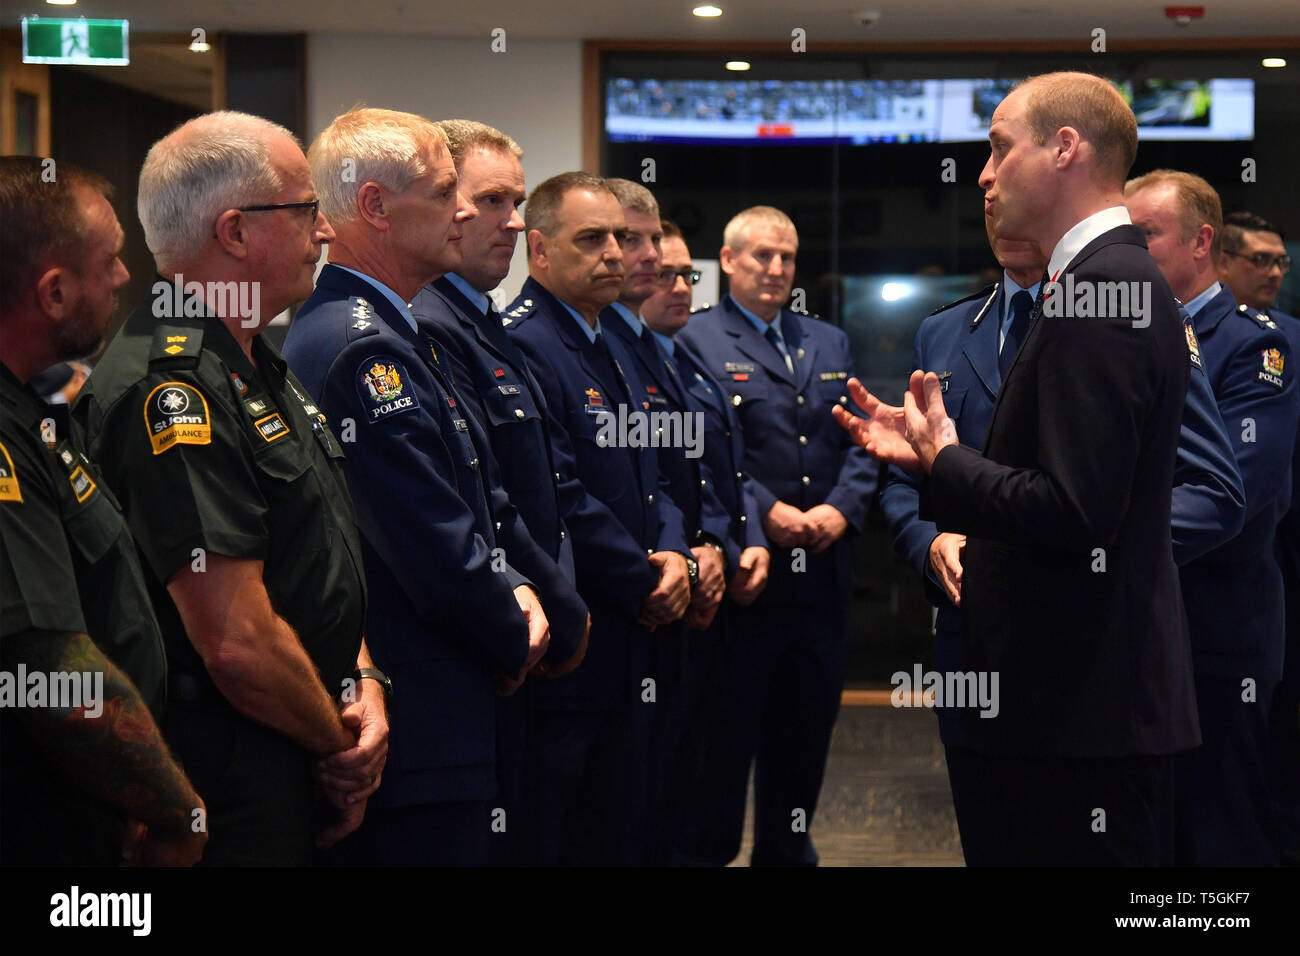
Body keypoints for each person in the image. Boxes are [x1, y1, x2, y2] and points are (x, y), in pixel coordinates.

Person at [837, 72, 1199, 865]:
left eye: (999, 147)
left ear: (1064, 149)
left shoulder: (1100, 290)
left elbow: (1074, 510)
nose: (984, 173)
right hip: (1071, 706)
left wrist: (948, 460)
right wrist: (938, 460)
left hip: (1081, 713)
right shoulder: (1101, 281)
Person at [881, 205, 1244, 864]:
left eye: (1007, 163)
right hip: (974, 649)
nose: (994, 194)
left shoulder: (1115, 306)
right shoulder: (947, 331)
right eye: (985, 190)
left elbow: (1214, 491)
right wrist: (929, 543)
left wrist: (1099, 553)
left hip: (1088, 655)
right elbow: (911, 487)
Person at [74, 112, 386, 865]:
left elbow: (313, 561)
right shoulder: (170, 388)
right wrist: (336, 744)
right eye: (306, 211)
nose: (326, 234)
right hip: (231, 769)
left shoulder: (255, 358)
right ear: (236, 233)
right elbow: (234, 642)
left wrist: (364, 680)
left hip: (296, 734)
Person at [282, 107, 550, 866]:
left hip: (443, 698)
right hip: (421, 706)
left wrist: (517, 585)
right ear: (375, 208)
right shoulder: (358, 345)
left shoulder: (395, 330)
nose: (465, 210)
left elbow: (476, 500)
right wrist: (512, 629)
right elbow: (427, 535)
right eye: (444, 193)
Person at [0, 155, 206, 867]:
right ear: (54, 292)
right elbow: (45, 662)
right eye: (110, 261)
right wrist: (178, 811)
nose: (125, 279)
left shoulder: (33, 409)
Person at [407, 117, 591, 864]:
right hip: (490, 646)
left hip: (528, 635)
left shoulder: (480, 321)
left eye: (516, 201)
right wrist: (559, 611)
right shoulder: (428, 323)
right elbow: (476, 508)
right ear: (446, 201)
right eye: (491, 200)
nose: (512, 221)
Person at [676, 204, 878, 866]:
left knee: (804, 746)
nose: (776, 268)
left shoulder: (828, 341)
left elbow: (859, 441)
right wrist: (765, 514)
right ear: (728, 260)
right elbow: (703, 453)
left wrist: (843, 510)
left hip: (821, 578)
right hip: (746, 585)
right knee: (722, 753)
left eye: (787, 257)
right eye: (762, 255)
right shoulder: (695, 340)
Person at [505, 171, 693, 865]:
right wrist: (644, 580)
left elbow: (656, 475)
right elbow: (558, 493)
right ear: (541, 251)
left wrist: (677, 554)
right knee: (569, 833)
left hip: (640, 624)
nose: (616, 252)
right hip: (583, 631)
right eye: (592, 238)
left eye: (620, 236)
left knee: (631, 824)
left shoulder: (611, 339)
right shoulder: (526, 343)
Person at [1126, 173, 1299, 864]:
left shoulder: (1255, 347)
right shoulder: (1125, 333)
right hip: (1134, 631)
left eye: (1146, 236)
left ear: (1202, 242)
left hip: (1215, 634)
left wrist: (1098, 538)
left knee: (1220, 836)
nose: (1130, 253)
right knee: (1145, 837)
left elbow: (1232, 494)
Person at [639, 220, 771, 864]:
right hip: (660, 596)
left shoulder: (683, 353)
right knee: (660, 800)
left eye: (687, 276)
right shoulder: (637, 360)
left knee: (707, 777)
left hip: (711, 593)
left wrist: (732, 538)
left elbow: (726, 470)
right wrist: (697, 552)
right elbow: (654, 480)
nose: (680, 288)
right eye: (665, 276)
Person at [1218, 212, 1293, 314]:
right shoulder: (1194, 325)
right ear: (1223, 262)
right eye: (1261, 260)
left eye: (1281, 261)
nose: (1276, 273)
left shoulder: (1293, 329)